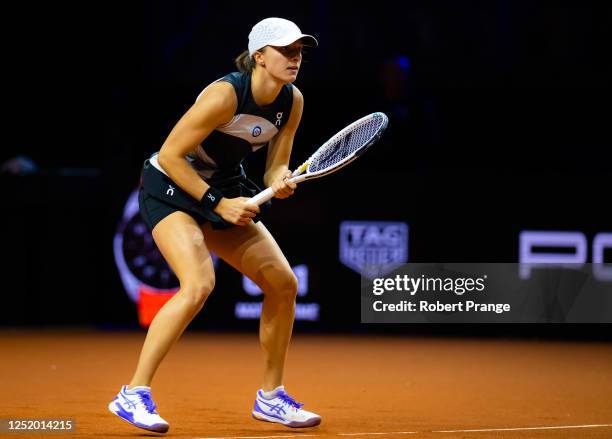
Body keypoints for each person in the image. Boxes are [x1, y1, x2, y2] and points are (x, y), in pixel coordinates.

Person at [108, 17, 321, 433]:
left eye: (299, 51)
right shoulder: (225, 94)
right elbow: (170, 156)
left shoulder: (291, 100)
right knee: (199, 284)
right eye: (285, 51)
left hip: (223, 183)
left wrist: (279, 180)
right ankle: (132, 394)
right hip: (169, 185)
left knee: (283, 283)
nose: (295, 58)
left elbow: (275, 163)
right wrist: (217, 204)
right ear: (259, 56)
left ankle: (271, 397)